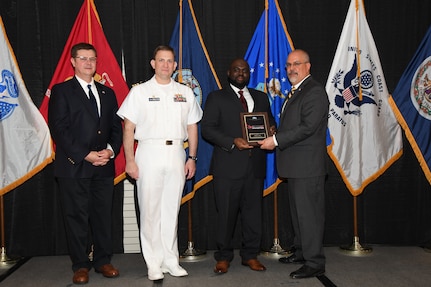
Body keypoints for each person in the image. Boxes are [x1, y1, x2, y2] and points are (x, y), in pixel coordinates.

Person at [117, 45, 202, 281]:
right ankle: (153, 263)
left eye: (170, 61)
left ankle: (171, 260)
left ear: (175, 66)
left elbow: (192, 126)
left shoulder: (185, 92)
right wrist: (130, 161)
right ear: (153, 64)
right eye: (161, 60)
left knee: (171, 210)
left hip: (176, 152)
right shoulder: (139, 92)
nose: (166, 65)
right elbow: (128, 128)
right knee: (150, 211)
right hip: (148, 152)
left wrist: (192, 157)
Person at [48, 42, 122, 285]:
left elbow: (115, 128)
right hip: (75, 165)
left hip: (104, 166)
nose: (88, 63)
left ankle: (102, 260)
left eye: (92, 58)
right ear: (73, 61)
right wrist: (87, 154)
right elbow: (59, 129)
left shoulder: (107, 93)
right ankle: (80, 264)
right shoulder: (61, 91)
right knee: (76, 217)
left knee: (103, 216)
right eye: (83, 58)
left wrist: (110, 151)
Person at [201, 58, 276, 274]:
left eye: (244, 70)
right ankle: (223, 257)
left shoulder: (261, 97)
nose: (240, 73)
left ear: (249, 73)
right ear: (229, 72)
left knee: (253, 215)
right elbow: (207, 128)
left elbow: (270, 121)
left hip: (255, 166)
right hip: (228, 166)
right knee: (226, 214)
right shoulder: (216, 97)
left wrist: (272, 128)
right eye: (236, 70)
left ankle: (250, 255)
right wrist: (232, 141)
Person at [259, 49, 328, 279]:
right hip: (296, 166)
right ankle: (301, 252)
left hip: (307, 167)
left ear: (308, 66)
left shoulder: (315, 91)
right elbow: (295, 126)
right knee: (299, 215)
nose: (290, 69)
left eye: (296, 64)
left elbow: (308, 128)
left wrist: (276, 140)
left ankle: (314, 261)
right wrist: (275, 131)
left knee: (309, 216)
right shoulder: (296, 91)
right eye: (288, 65)